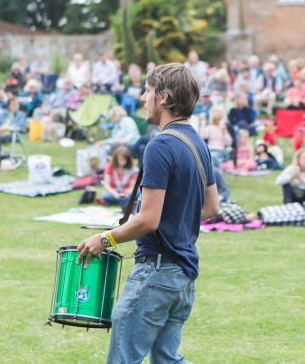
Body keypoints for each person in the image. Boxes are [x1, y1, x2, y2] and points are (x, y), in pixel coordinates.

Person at [77, 63, 219, 363]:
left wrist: (104, 239)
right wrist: (175, 221)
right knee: (166, 360)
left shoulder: (161, 145)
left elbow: (148, 219)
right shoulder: (198, 143)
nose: (143, 98)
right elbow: (211, 207)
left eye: (147, 91)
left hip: (156, 273)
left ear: (163, 97)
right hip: (183, 274)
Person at [0, 97, 27, 170]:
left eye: (17, 105)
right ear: (9, 106)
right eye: (13, 105)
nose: (15, 106)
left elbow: (21, 126)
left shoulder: (21, 115)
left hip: (12, 135)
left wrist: (6, 128)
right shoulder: (4, 113)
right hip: (0, 133)